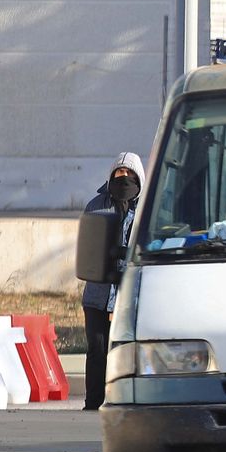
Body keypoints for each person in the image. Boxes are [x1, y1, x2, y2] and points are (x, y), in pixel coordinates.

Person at [81, 153, 144, 411]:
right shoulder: (96, 205)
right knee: (97, 351)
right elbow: (88, 245)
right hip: (98, 294)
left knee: (129, 352)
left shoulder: (148, 207)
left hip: (132, 296)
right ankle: (93, 403)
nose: (124, 179)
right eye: (119, 174)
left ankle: (127, 403)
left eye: (129, 174)